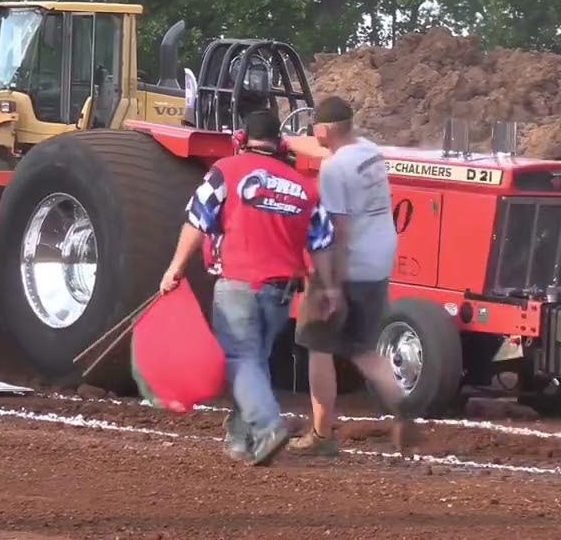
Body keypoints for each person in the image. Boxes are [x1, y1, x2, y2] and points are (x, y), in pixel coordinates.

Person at [160, 110, 340, 466]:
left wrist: (175, 269)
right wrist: (327, 290)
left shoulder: (226, 171)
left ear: (244, 137)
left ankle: (267, 426)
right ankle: (240, 440)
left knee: (241, 359)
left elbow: (198, 218)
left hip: (237, 283)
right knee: (253, 360)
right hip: (281, 293)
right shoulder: (304, 186)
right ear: (279, 142)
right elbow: (322, 242)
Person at [289, 95, 414, 457]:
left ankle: (321, 434)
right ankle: (404, 414)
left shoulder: (333, 169)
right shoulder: (371, 151)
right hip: (380, 257)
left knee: (317, 341)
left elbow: (337, 231)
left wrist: (331, 286)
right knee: (362, 347)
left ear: (324, 129)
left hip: (352, 262)